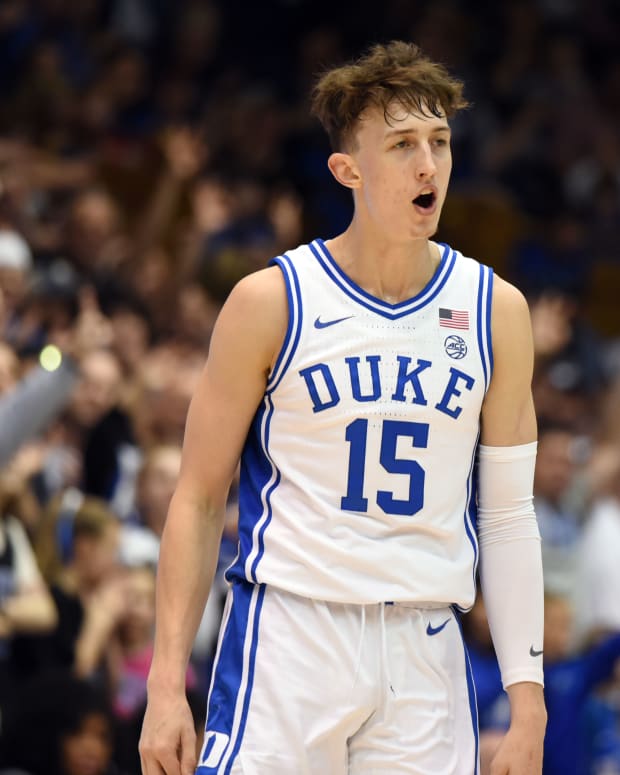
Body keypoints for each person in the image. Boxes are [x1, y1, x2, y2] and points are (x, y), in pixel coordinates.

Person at [139, 40, 546, 775]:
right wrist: (166, 684)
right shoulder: (271, 301)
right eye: (402, 145)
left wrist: (530, 695)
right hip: (292, 633)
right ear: (348, 170)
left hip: (425, 648)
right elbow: (199, 499)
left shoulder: (496, 311)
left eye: (440, 142)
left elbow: (510, 515)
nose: (429, 164)